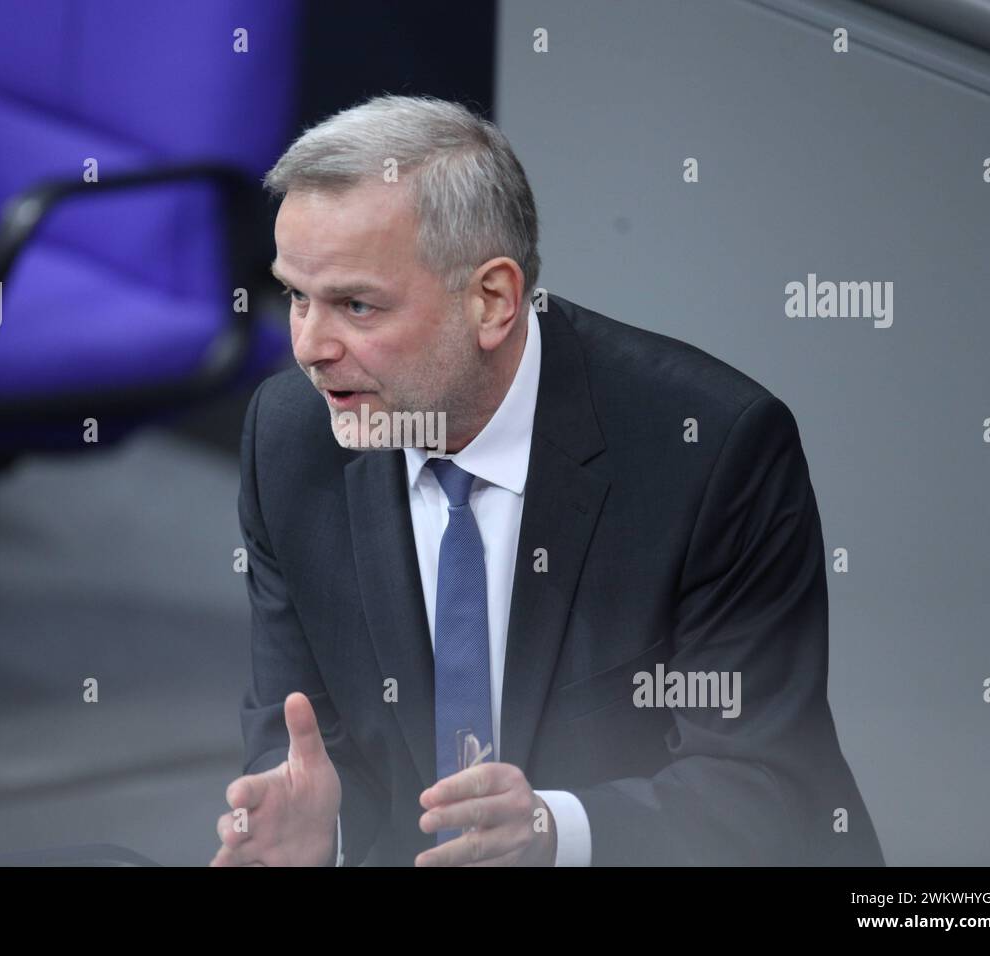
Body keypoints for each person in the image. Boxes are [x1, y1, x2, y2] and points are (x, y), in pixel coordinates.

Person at [210, 94, 884, 867]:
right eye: (296, 296)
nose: (310, 347)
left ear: (491, 300)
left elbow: (769, 790)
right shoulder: (291, 437)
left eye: (356, 305)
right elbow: (306, 740)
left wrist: (556, 834)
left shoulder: (712, 452)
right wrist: (319, 831)